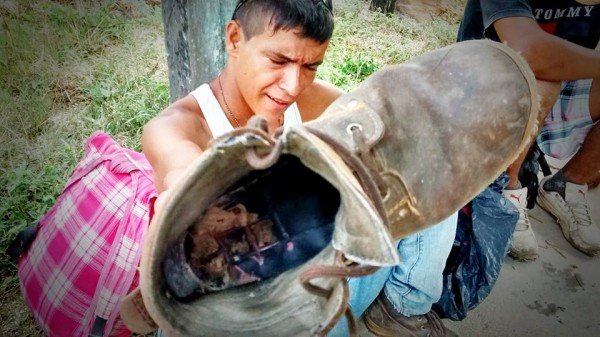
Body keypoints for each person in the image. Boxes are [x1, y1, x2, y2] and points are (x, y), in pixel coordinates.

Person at [142, 1, 458, 336]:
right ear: (235, 39)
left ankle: (401, 309)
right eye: (279, 60)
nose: (293, 86)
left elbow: (384, 130)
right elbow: (182, 172)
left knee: (425, 168)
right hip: (232, 316)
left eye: (310, 66)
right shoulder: (178, 127)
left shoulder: (309, 101)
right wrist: (189, 198)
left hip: (311, 282)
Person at [457, 0, 600, 260]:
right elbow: (529, 51)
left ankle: (567, 184)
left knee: (548, 81)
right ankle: (508, 193)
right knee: (542, 82)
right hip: (488, 79)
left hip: (562, 78)